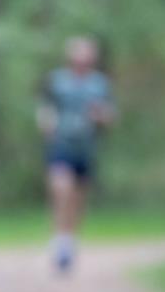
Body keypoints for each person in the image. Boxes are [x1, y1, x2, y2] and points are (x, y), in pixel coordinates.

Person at [36, 36, 116, 273]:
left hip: (86, 148)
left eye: (86, 58)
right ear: (70, 58)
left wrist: (102, 116)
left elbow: (110, 116)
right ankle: (59, 239)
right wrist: (46, 122)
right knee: (61, 189)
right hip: (61, 144)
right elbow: (45, 107)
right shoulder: (57, 81)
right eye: (77, 57)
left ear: (91, 60)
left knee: (78, 198)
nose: (81, 62)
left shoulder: (99, 84)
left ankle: (70, 240)